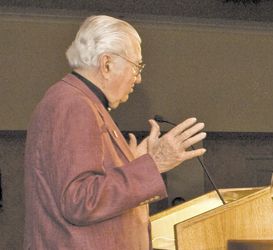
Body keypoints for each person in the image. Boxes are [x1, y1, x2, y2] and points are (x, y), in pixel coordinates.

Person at [23, 15, 206, 250]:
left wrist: (132, 164)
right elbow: (79, 201)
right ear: (107, 63)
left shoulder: (78, 101)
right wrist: (154, 163)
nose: (138, 78)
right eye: (137, 66)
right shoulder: (74, 104)